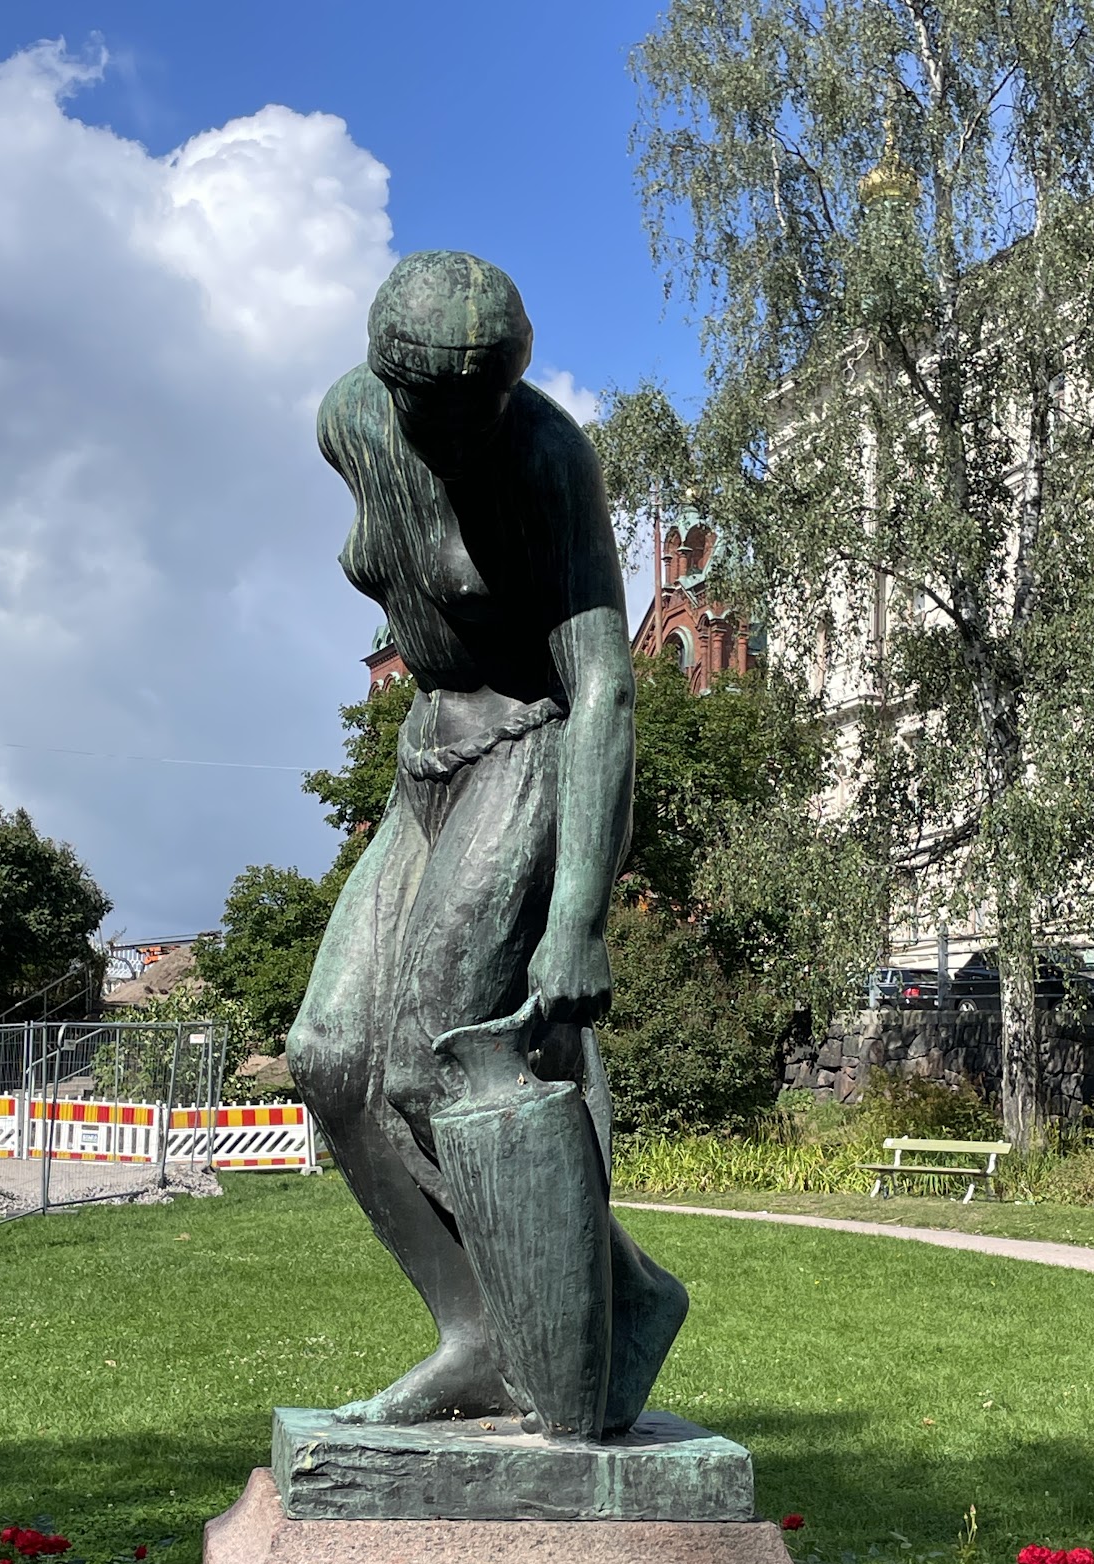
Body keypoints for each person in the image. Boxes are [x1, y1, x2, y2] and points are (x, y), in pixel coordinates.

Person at [288, 251, 686, 1431]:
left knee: (434, 1063)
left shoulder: (549, 460)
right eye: (442, 409)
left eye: (488, 405)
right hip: (428, 763)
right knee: (327, 1056)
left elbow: (604, 687)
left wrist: (578, 920)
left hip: (530, 751)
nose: (467, 432)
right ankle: (474, 1336)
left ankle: (615, 1301)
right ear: (393, 385)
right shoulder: (351, 423)